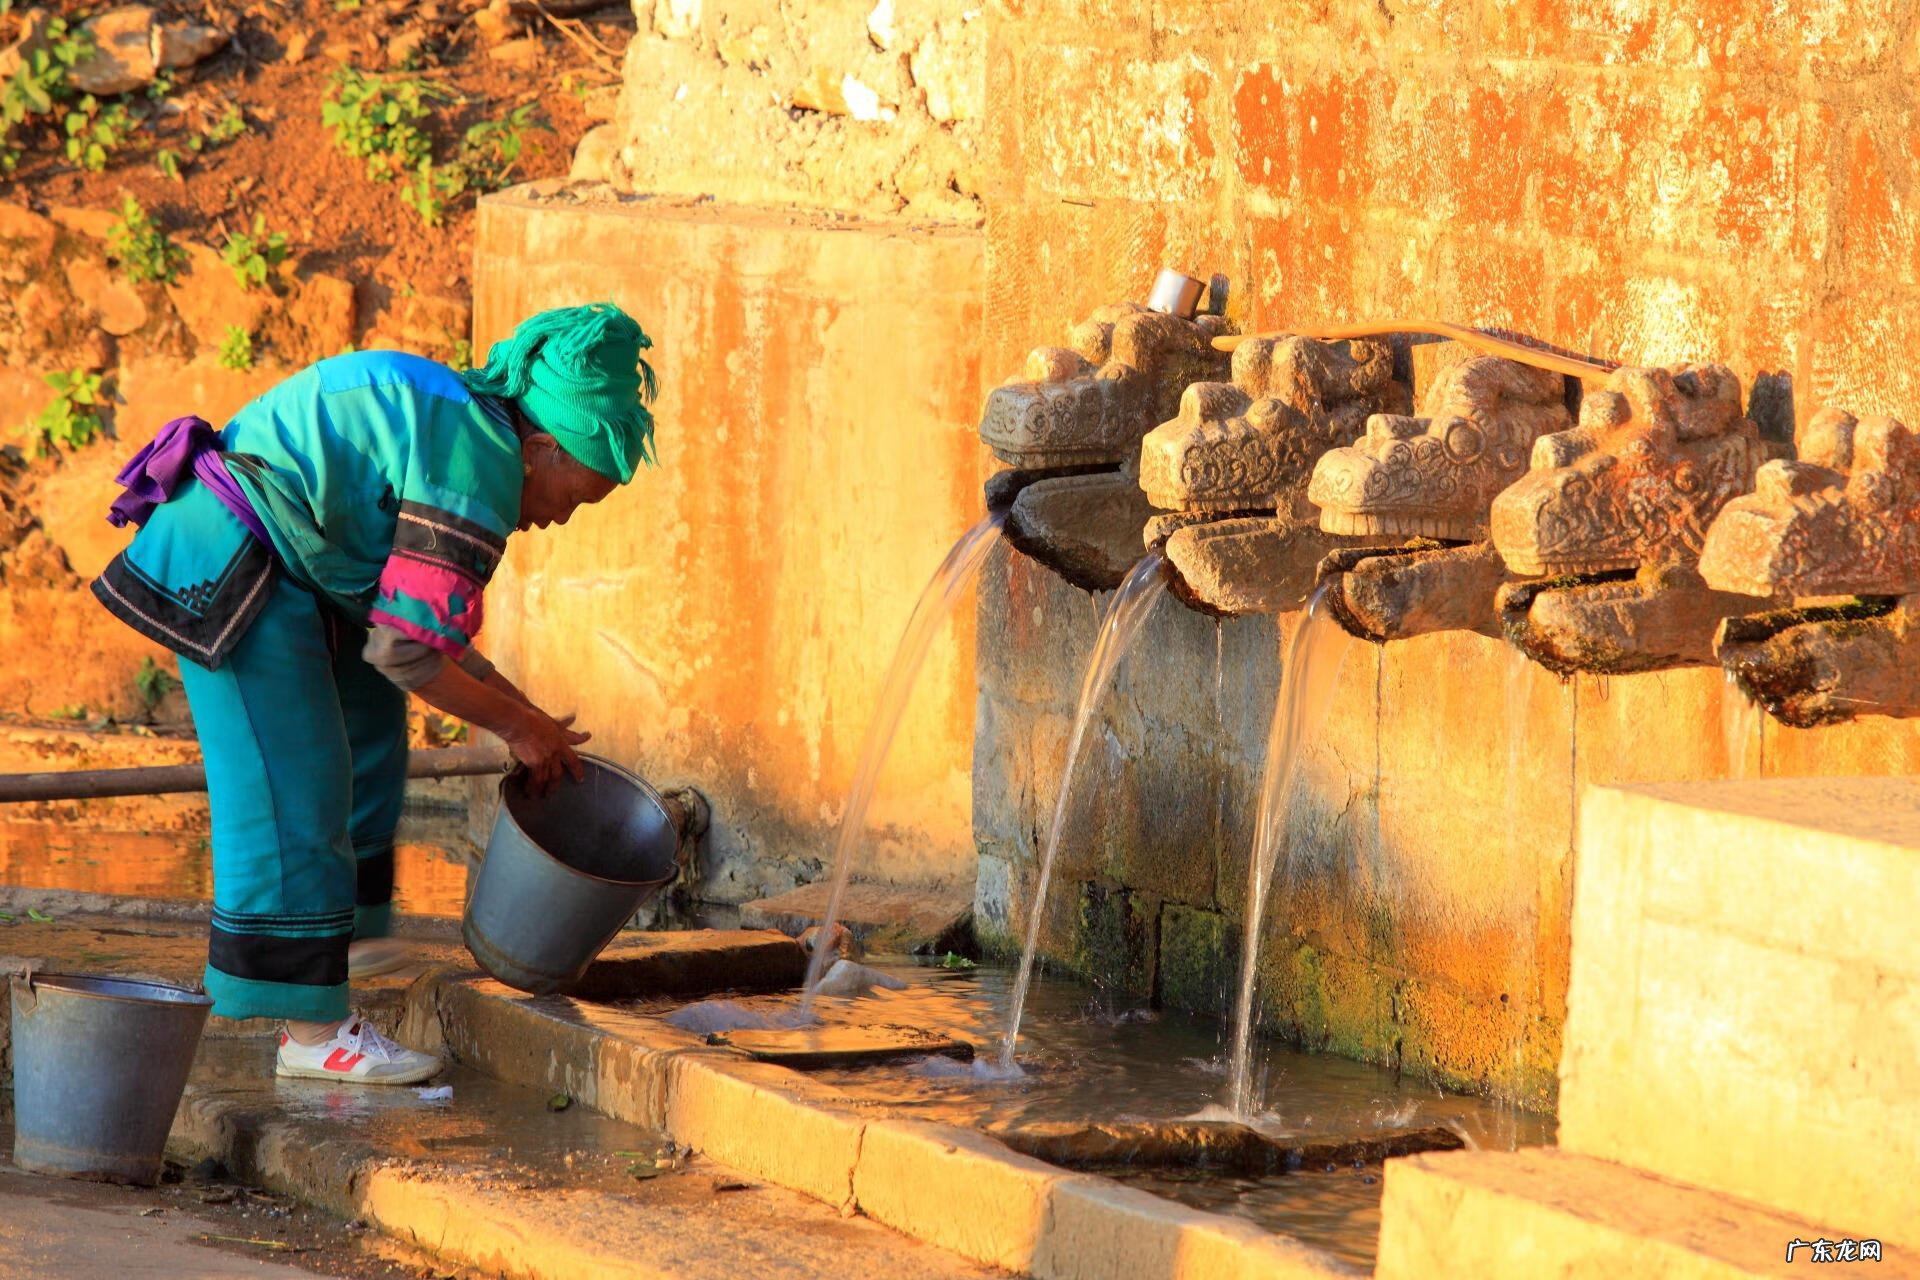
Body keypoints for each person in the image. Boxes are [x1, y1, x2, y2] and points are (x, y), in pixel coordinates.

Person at [92, 302, 657, 1085]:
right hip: (236, 562)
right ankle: (311, 1032)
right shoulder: (480, 466)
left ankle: (343, 937)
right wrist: (518, 732)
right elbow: (408, 652)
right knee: (298, 783)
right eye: (576, 494)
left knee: (369, 729)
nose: (561, 518)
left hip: (294, 564)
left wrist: (520, 710)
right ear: (539, 448)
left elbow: (416, 624)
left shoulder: (470, 426)